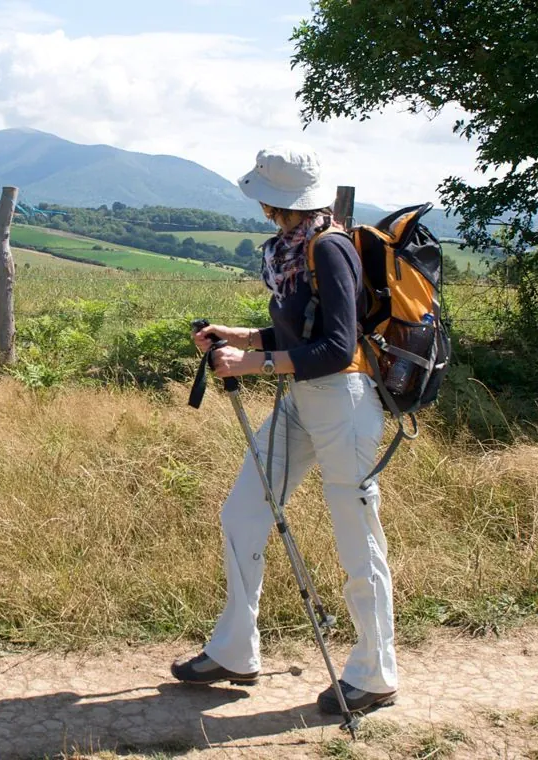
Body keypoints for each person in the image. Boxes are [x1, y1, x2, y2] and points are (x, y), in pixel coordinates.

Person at [171, 143, 398, 716]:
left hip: (344, 404)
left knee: (357, 538)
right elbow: (301, 333)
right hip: (305, 400)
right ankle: (234, 650)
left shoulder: (330, 249)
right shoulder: (294, 251)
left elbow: (336, 347)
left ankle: (375, 674)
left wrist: (253, 366)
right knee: (244, 511)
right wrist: (245, 337)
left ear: (277, 202)